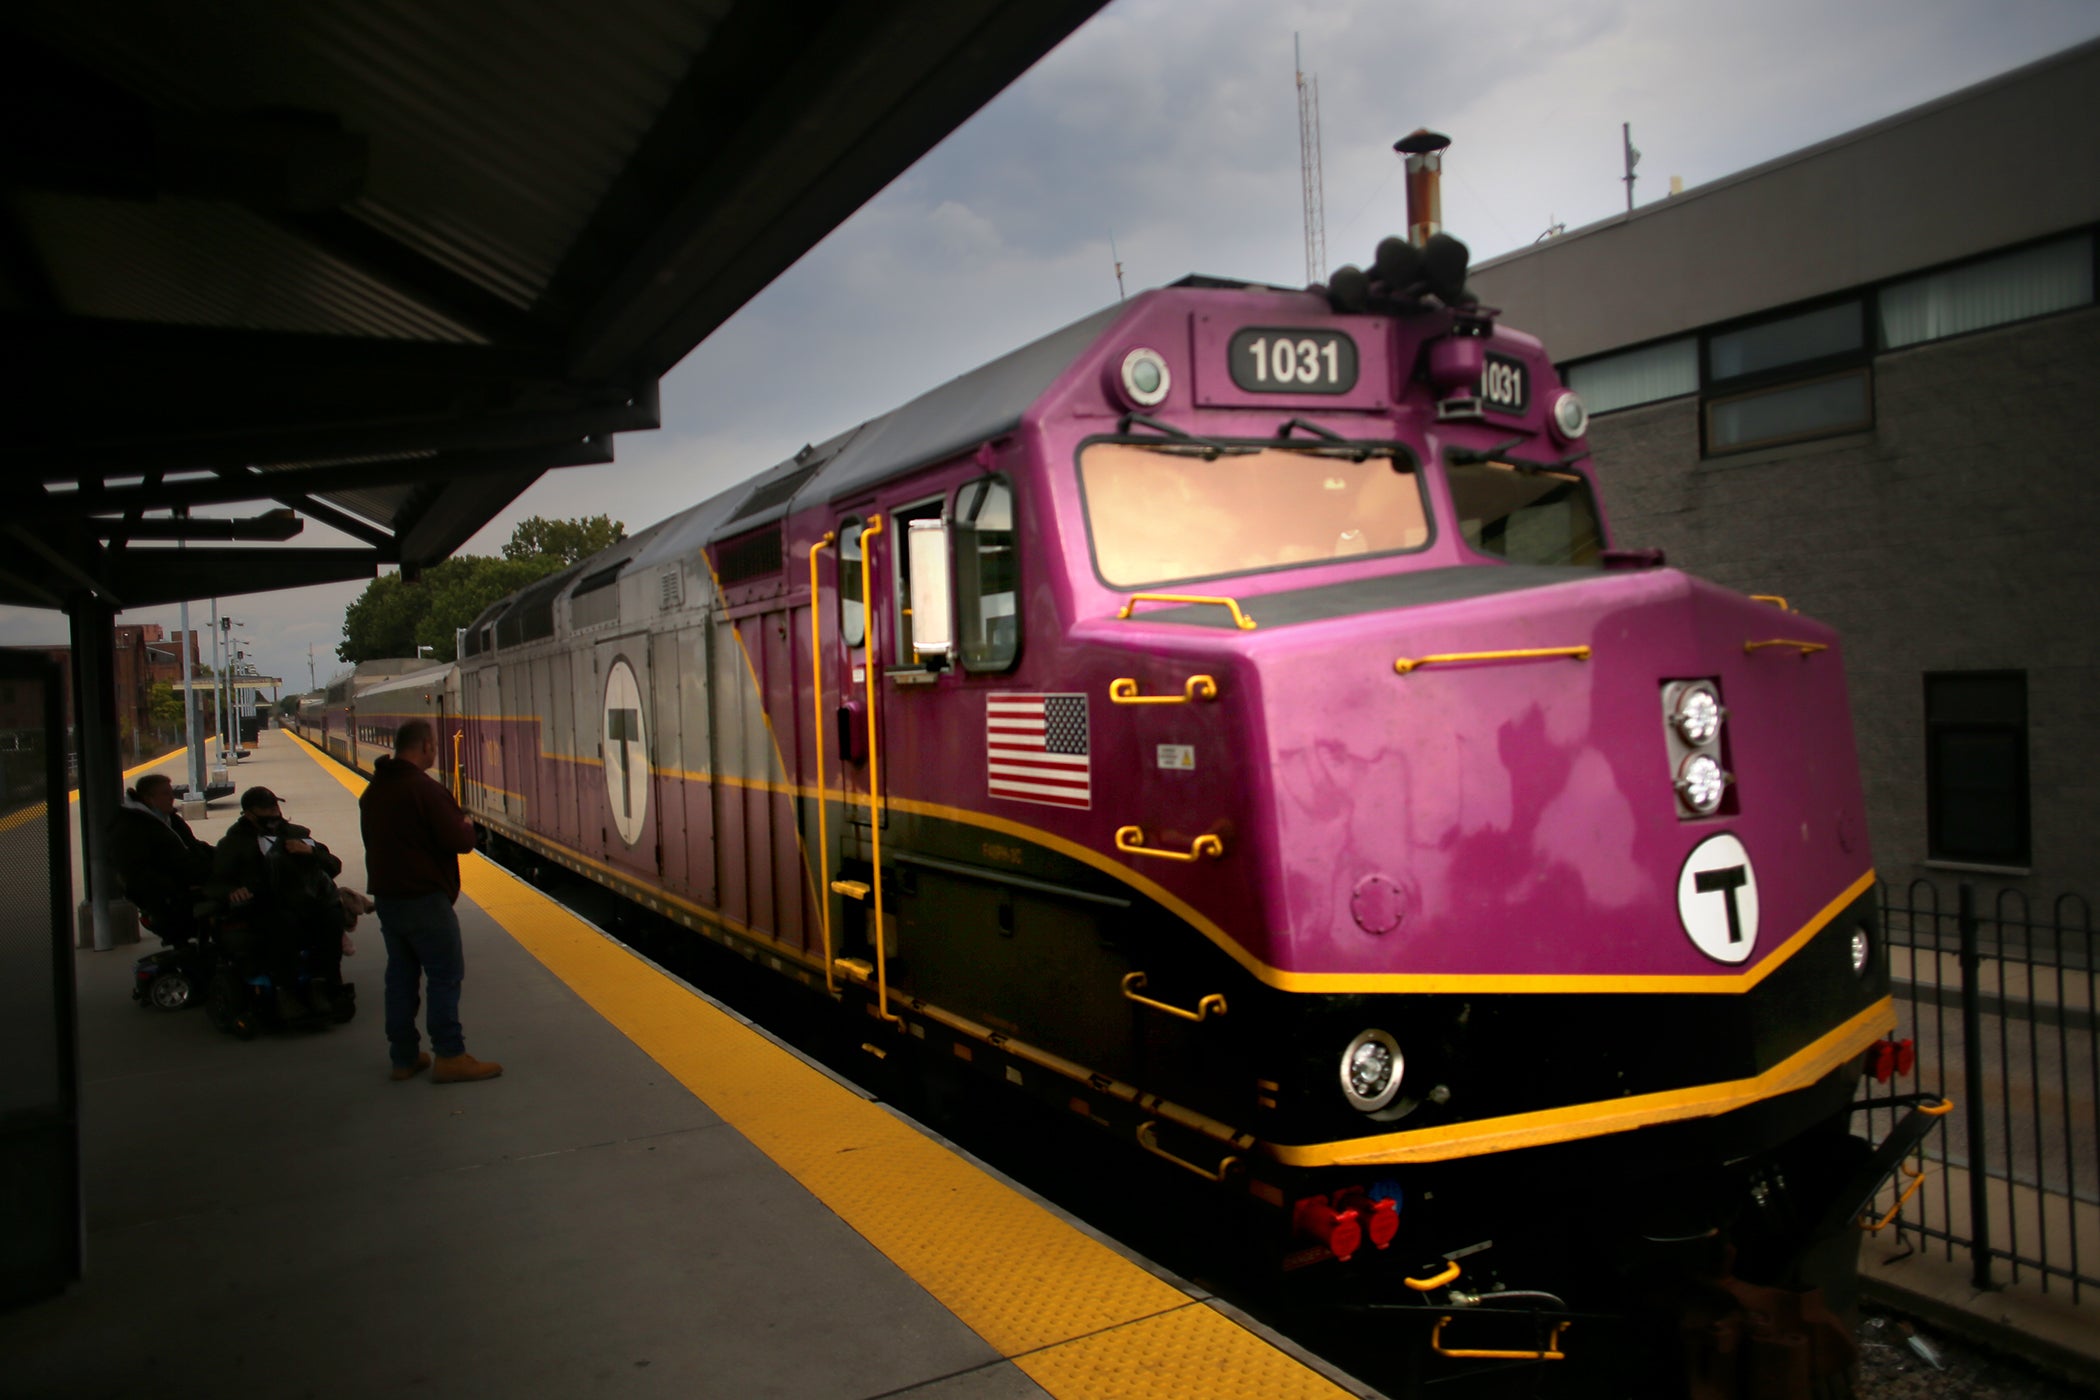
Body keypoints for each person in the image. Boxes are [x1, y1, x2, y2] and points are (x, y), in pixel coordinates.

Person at [359, 718, 497, 1084]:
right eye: (434, 745)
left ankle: (403, 1058)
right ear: (425, 747)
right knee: (444, 978)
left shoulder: (374, 791)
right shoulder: (424, 789)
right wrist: (466, 825)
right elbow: (460, 841)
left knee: (400, 978)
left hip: (389, 899)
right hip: (425, 900)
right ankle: (450, 1055)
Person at [211, 786, 345, 1021]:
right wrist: (232, 891)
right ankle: (287, 991)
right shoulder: (233, 844)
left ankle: (324, 985)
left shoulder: (297, 834)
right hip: (264, 905)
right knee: (284, 923)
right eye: (265, 809)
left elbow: (333, 865)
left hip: (305, 902)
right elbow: (216, 882)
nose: (273, 813)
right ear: (249, 814)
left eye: (275, 807)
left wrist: (311, 852)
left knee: (332, 917)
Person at [107, 773, 215, 938]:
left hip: (194, 882)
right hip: (170, 899)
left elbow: (193, 845)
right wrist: (180, 888)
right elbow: (137, 874)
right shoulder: (131, 828)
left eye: (171, 793)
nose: (172, 798)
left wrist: (223, 856)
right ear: (149, 798)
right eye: (166, 794)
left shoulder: (169, 819)